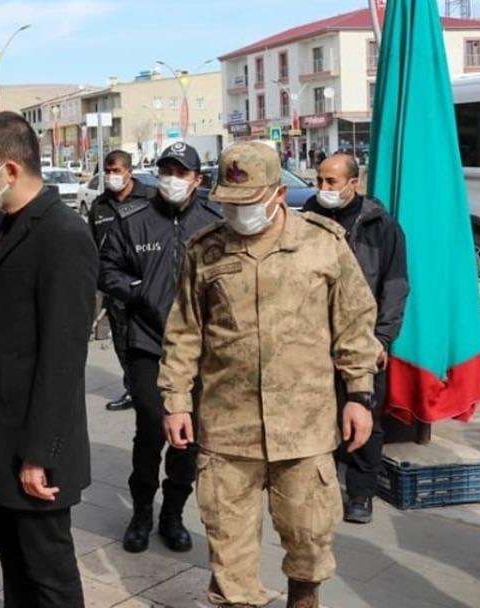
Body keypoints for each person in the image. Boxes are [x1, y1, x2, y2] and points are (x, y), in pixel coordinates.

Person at [159, 141, 379, 608]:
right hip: (227, 432)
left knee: (308, 547)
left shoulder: (323, 243)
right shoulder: (206, 250)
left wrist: (360, 395)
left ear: (278, 193)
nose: (238, 213)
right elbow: (184, 331)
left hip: (305, 430)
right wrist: (176, 400)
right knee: (229, 562)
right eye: (230, 203)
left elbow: (355, 323)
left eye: (249, 202)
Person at [0, 112, 96, 608]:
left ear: (9, 169)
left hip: (34, 447)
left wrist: (40, 453)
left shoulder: (62, 234)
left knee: (48, 573)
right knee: (15, 566)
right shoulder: (10, 225)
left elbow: (63, 356)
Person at [98, 142, 221, 555]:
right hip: (147, 344)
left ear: (197, 180)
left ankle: (173, 513)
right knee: (151, 426)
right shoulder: (134, 221)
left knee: (187, 436)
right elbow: (107, 268)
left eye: (181, 172)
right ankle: (141, 512)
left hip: (198, 352)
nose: (172, 179)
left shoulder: (213, 224)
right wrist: (135, 292)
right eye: (166, 170)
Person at [304, 152, 409, 524]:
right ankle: (322, 484)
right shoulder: (308, 218)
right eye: (319, 180)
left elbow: (395, 286)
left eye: (331, 182)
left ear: (353, 183)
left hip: (363, 340)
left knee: (365, 414)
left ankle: (362, 493)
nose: (323, 189)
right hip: (315, 339)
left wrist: (382, 339)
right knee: (319, 414)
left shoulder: (382, 226)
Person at [88, 149, 156, 412]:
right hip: (116, 290)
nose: (111, 176)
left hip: (147, 285)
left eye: (116, 171)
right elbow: (94, 247)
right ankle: (133, 391)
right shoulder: (100, 206)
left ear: (129, 171)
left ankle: (159, 392)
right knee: (122, 343)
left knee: (152, 345)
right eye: (107, 171)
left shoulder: (150, 199)